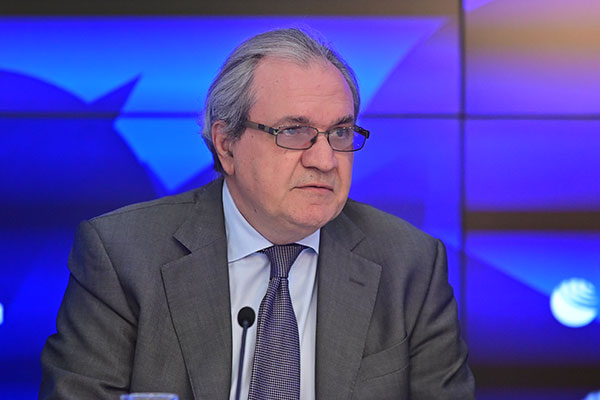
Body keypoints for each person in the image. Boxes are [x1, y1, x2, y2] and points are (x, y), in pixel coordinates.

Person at [40, 28, 475, 399]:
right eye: (294, 131)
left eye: (340, 132)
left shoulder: (410, 265)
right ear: (226, 145)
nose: (325, 160)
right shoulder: (124, 255)